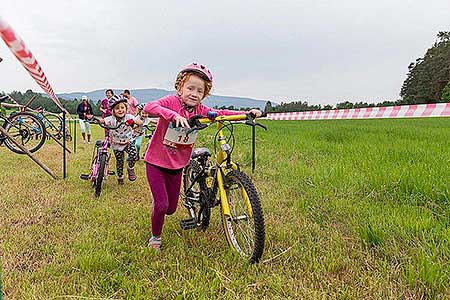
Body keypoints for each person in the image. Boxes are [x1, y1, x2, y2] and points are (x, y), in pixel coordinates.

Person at [143, 63, 262, 250]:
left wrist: (246, 114)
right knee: (161, 205)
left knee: (171, 209)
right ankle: (155, 237)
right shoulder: (171, 102)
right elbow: (150, 107)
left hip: (177, 165)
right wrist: (172, 115)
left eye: (200, 91)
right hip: (156, 162)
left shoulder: (200, 110)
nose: (194, 93)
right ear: (179, 88)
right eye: (190, 88)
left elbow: (222, 114)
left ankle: (162, 204)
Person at [102, 95, 143, 185]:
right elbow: (103, 121)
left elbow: (139, 122)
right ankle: (120, 177)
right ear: (113, 111)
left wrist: (135, 122)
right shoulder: (111, 119)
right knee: (119, 161)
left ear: (126, 108)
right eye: (117, 108)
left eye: (122, 107)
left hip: (128, 142)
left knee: (133, 155)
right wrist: (95, 120)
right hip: (116, 143)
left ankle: (130, 168)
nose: (120, 110)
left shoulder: (129, 117)